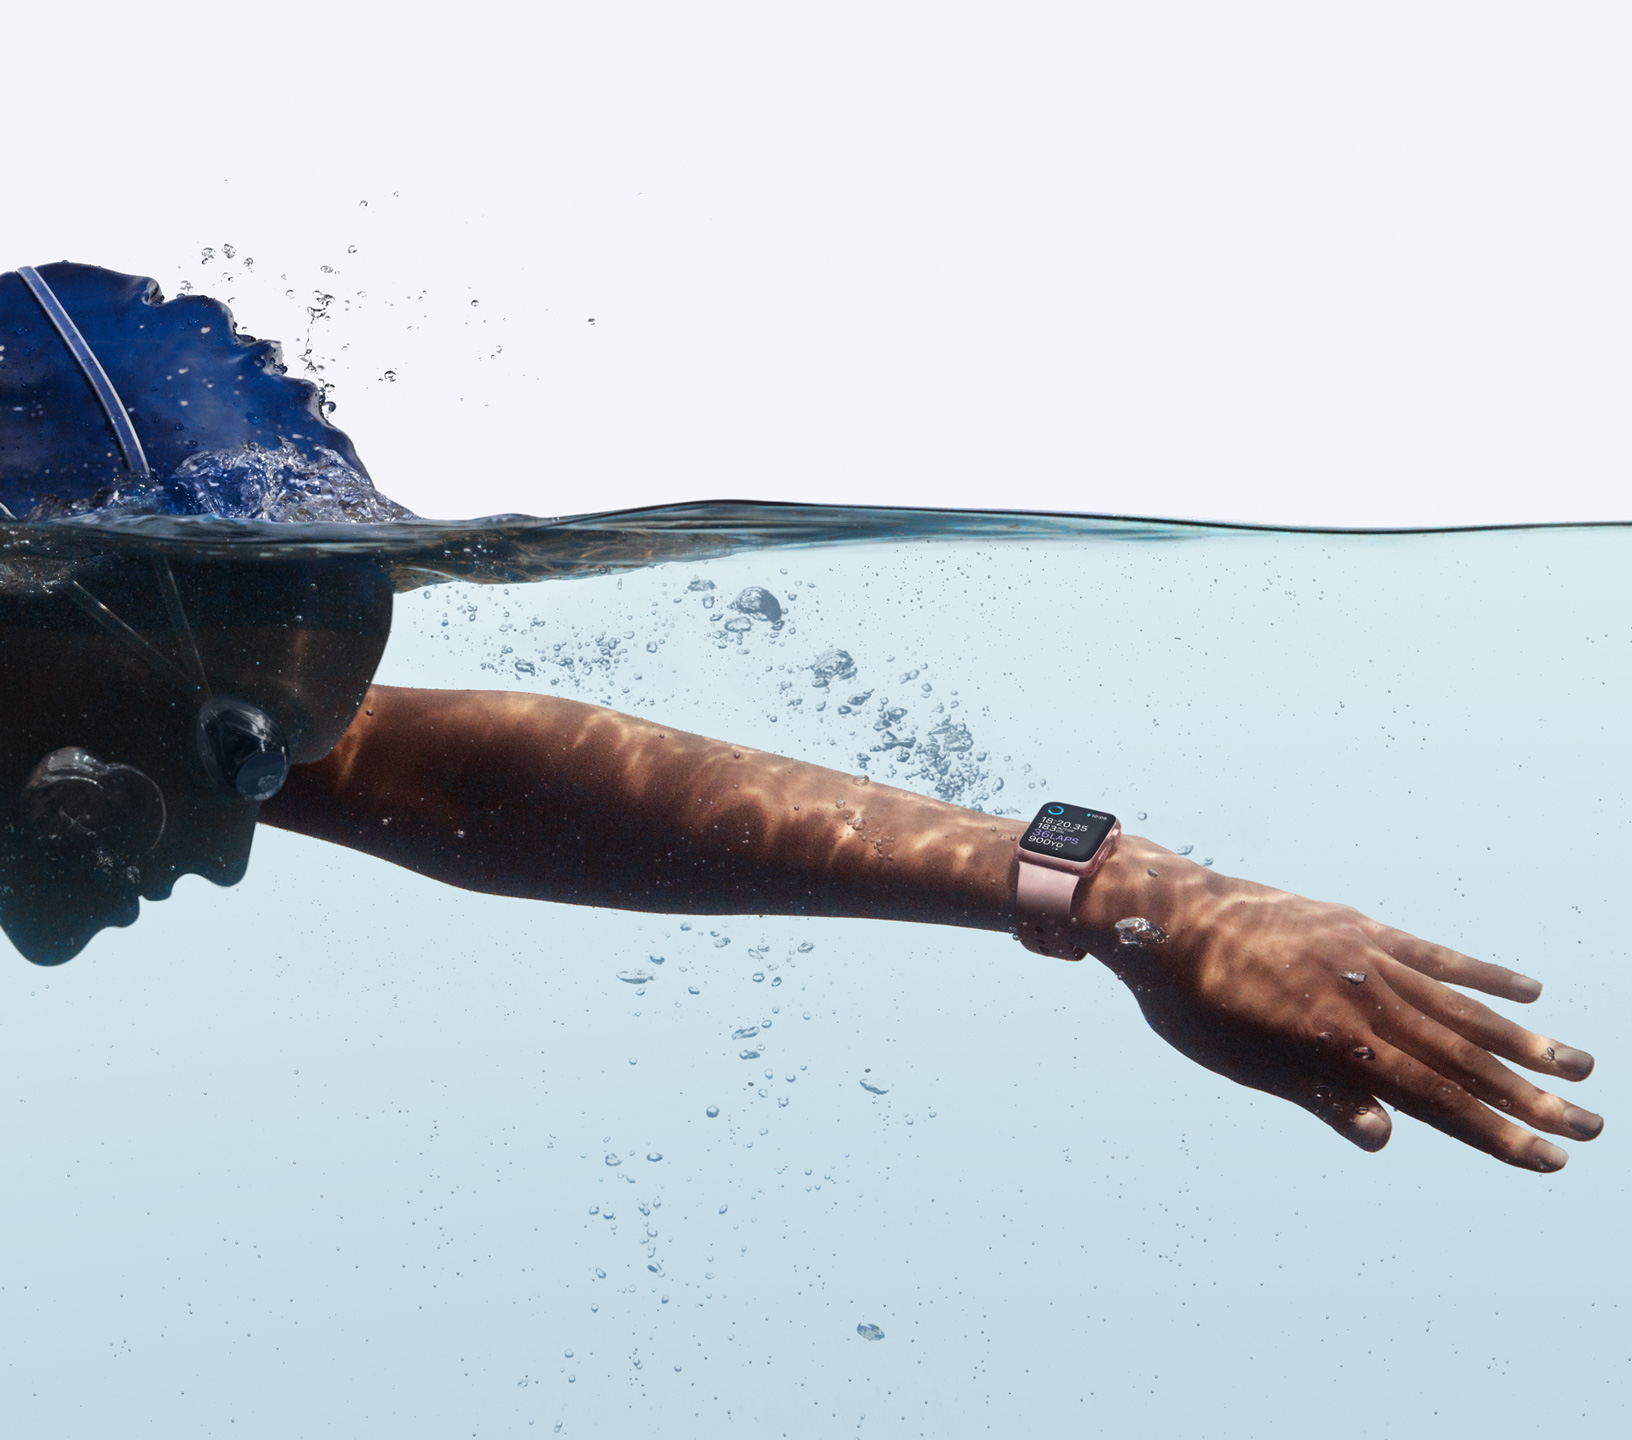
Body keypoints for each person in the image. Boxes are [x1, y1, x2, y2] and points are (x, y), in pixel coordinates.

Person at [1, 262, 1604, 1173]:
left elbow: (441, 767)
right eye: (234, 751)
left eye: (272, 764)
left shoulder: (74, 696)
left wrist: (1118, 893)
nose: (230, 850)